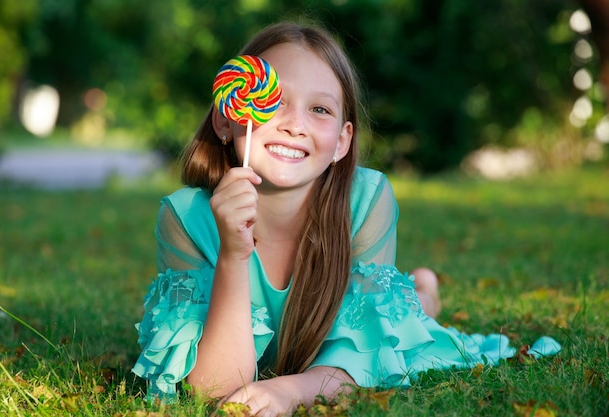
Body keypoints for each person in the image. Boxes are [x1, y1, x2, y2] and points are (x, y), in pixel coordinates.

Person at [132, 21, 559, 417]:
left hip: (357, 322)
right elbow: (215, 388)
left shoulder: (366, 200)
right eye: (273, 101)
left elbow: (368, 351)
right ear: (229, 116)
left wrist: (290, 390)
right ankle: (419, 290)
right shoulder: (185, 218)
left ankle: (422, 294)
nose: (293, 124)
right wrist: (233, 255)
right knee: (399, 309)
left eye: (319, 110)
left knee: (405, 327)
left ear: (341, 142)